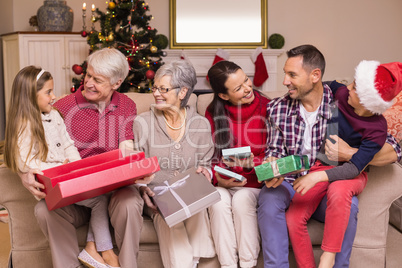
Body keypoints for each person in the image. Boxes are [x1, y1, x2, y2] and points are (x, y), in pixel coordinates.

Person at [257, 44, 402, 268]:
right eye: (285, 74)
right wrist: (272, 166)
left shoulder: (340, 102)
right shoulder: (277, 108)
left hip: (328, 181)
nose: (285, 81)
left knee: (348, 202)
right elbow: (274, 151)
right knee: (268, 197)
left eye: (292, 75)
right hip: (290, 182)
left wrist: (351, 153)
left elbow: (393, 147)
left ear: (315, 75)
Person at [16, 48, 149, 268]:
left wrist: (138, 170)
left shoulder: (126, 105)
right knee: (44, 209)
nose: (88, 83)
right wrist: (24, 173)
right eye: (88, 75)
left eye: (98, 80)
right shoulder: (61, 107)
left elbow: (127, 148)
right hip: (76, 194)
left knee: (129, 201)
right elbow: (27, 142)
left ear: (116, 83)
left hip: (114, 193)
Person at [4, 65, 122, 268]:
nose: (54, 96)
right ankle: (82, 259)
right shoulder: (24, 125)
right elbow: (24, 160)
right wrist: (58, 169)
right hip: (54, 188)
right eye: (48, 92)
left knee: (100, 199)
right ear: (31, 96)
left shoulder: (56, 114)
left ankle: (98, 249)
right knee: (46, 209)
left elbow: (68, 145)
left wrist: (76, 169)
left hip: (72, 184)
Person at [133, 60, 215, 268]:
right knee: (168, 215)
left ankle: (196, 261)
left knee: (195, 209)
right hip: (157, 197)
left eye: (164, 89)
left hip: (191, 196)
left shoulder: (200, 124)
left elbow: (207, 162)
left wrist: (205, 172)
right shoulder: (142, 123)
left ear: (182, 92)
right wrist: (142, 189)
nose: (157, 93)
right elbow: (135, 166)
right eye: (155, 88)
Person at [205, 60, 270, 268]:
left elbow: (275, 154)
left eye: (246, 80)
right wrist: (218, 179)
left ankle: (247, 264)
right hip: (225, 181)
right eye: (238, 88)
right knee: (217, 201)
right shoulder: (213, 112)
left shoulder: (268, 107)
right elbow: (209, 157)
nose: (248, 89)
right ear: (224, 95)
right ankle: (228, 265)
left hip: (256, 183)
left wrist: (254, 164)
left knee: (242, 199)